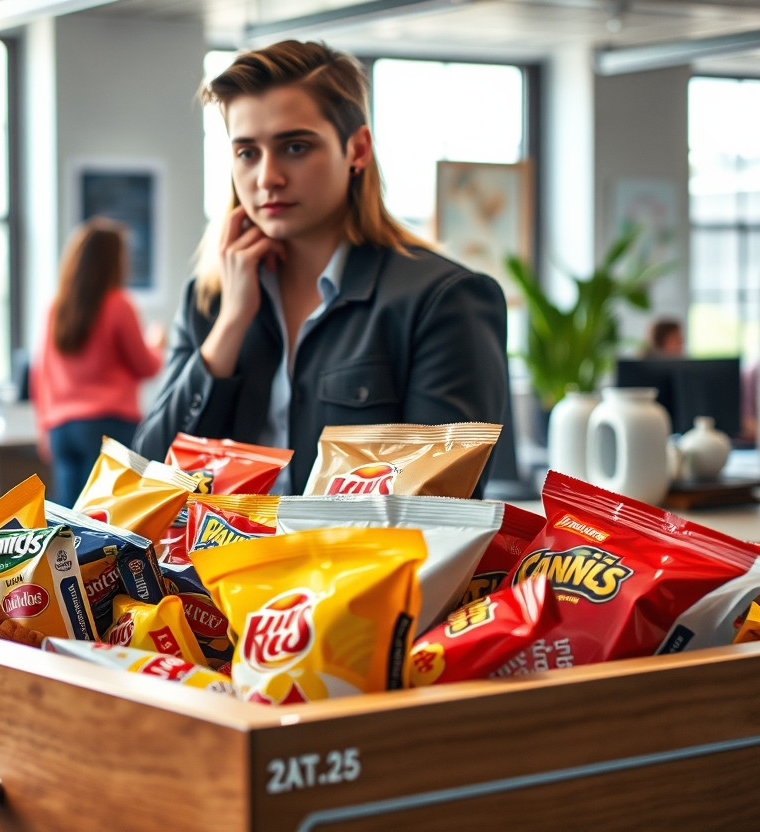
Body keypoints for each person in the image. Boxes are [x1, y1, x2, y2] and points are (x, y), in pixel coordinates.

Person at [132, 41, 508, 496]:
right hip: (213, 547)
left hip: (357, 548)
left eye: (295, 147)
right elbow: (148, 481)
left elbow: (441, 503)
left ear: (357, 150)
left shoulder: (441, 300)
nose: (267, 177)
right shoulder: (210, 299)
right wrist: (231, 324)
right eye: (247, 153)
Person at [32, 218, 165, 506]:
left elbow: (41, 373)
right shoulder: (119, 305)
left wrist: (43, 427)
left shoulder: (56, 308)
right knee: (105, 515)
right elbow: (146, 366)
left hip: (61, 428)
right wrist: (157, 344)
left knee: (69, 517)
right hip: (109, 425)